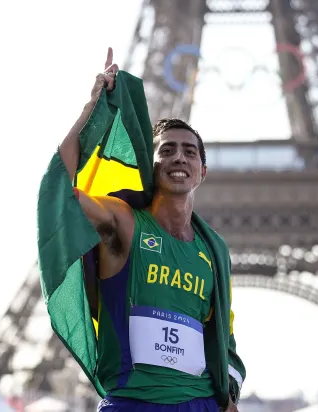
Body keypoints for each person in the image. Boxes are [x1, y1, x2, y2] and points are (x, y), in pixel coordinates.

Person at [58, 48, 242, 412]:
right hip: (135, 403)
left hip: (200, 403)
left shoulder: (213, 252)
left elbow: (222, 335)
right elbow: (61, 193)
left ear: (202, 172)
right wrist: (91, 110)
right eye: (167, 150)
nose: (178, 157)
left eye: (190, 152)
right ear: (152, 166)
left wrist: (228, 401)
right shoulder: (124, 222)